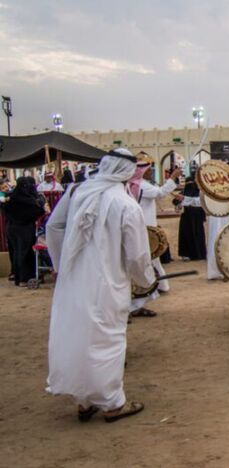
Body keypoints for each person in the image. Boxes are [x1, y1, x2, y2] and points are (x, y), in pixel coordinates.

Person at [46, 148, 155, 422]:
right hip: (108, 282)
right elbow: (138, 255)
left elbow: (53, 227)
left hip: (73, 282)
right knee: (108, 340)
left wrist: (61, 265)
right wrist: (146, 281)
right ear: (127, 172)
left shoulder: (76, 192)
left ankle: (84, 402)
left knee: (78, 336)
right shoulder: (126, 204)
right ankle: (112, 404)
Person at [127, 154, 182, 318]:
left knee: (153, 258)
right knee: (148, 260)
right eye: (148, 170)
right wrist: (172, 178)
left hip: (145, 227)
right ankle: (139, 300)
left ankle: (161, 285)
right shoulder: (142, 186)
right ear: (141, 172)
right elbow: (160, 193)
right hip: (144, 228)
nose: (151, 172)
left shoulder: (138, 185)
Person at [3, 176, 45, 286]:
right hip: (24, 229)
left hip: (11, 228)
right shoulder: (28, 200)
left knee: (16, 252)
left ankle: (18, 278)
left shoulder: (10, 198)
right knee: (25, 252)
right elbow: (39, 212)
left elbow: (4, 209)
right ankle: (25, 278)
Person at [206, 162, 229, 280]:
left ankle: (226, 270)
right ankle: (218, 271)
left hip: (228, 216)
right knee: (217, 242)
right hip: (218, 216)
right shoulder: (215, 183)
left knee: (228, 243)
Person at [175, 171, 206, 260]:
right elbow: (177, 205)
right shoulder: (184, 192)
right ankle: (186, 254)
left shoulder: (200, 192)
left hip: (197, 216)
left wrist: (184, 199)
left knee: (198, 234)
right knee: (186, 234)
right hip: (187, 216)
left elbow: (198, 202)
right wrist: (179, 201)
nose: (190, 186)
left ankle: (199, 253)